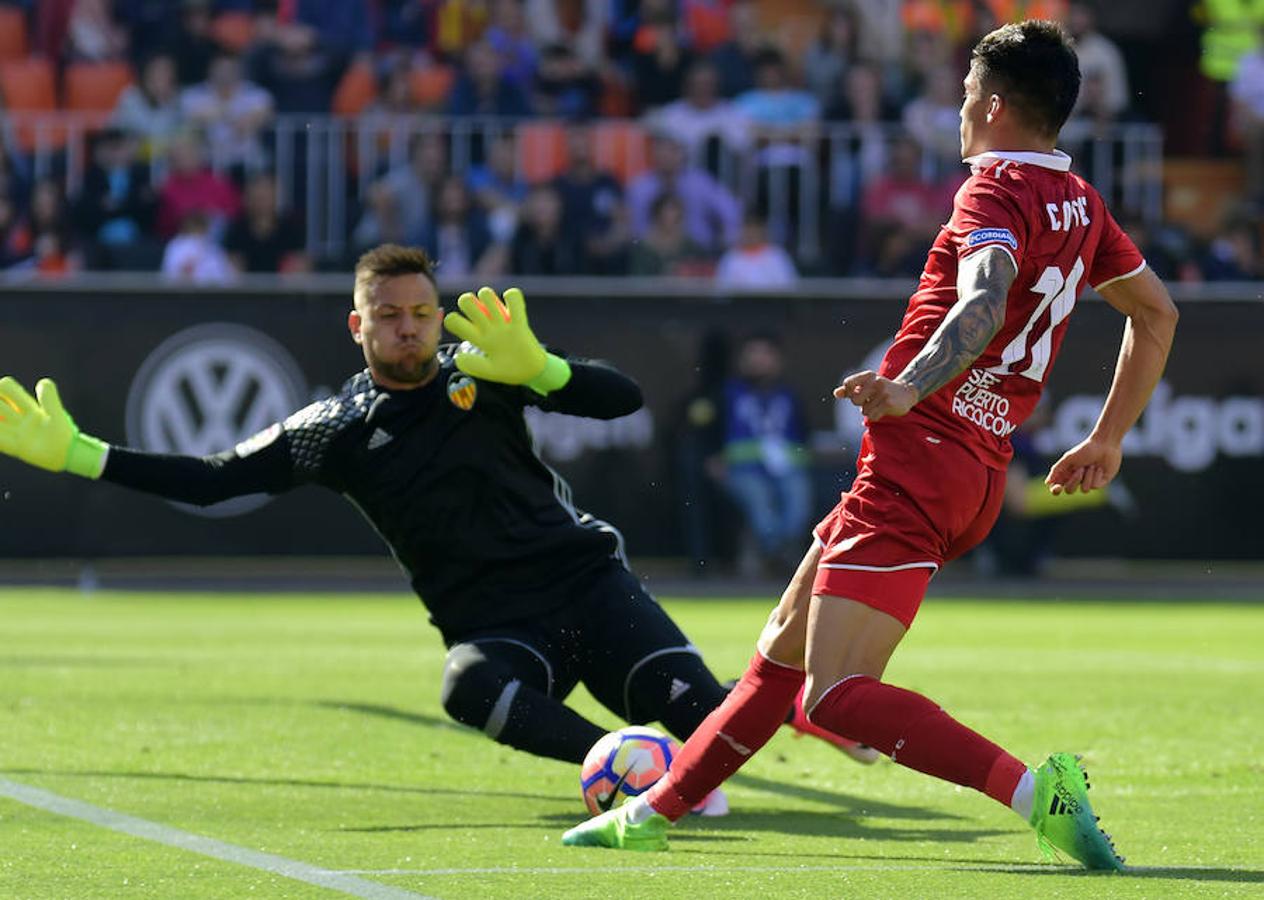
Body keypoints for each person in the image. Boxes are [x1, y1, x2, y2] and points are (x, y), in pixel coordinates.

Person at [562, 20, 1178, 870]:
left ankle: (1040, 795)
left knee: (840, 697)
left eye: (966, 96)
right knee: (777, 661)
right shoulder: (1083, 204)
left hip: (921, 459)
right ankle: (653, 812)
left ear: (996, 107)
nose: (958, 110)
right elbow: (1158, 314)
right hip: (966, 467)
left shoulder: (992, 192)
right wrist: (1109, 437)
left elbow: (983, 303)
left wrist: (906, 386)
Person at [0, 245, 862, 783]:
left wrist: (545, 371)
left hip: (587, 584)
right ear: (357, 325)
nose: (409, 328)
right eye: (389, 317)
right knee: (465, 685)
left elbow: (622, 397)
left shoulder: (484, 368)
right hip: (493, 620)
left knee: (712, 724)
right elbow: (212, 479)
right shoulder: (332, 430)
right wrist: (83, 455)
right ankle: (613, 763)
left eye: (420, 313)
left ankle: (799, 713)